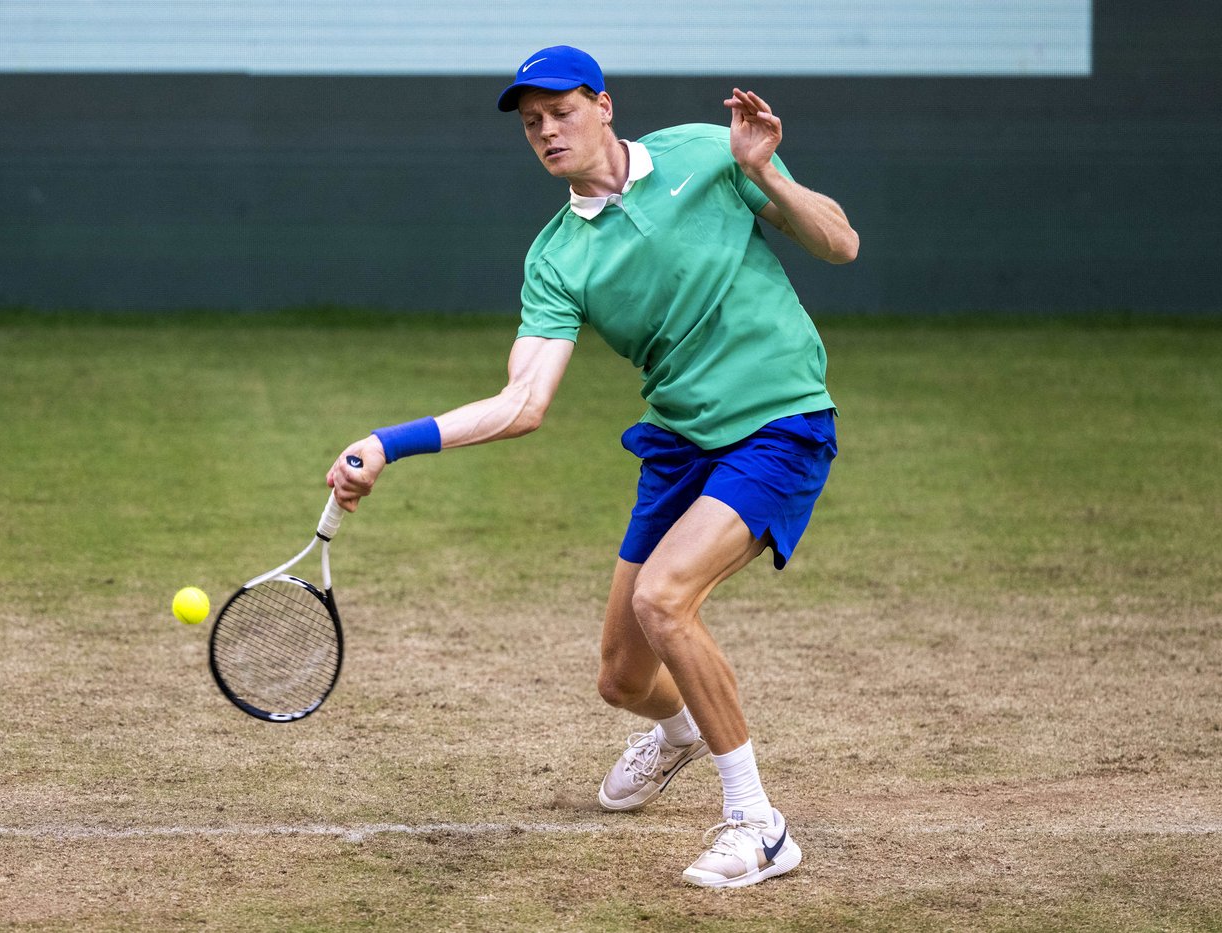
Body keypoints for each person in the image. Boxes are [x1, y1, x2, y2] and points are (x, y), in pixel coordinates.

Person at [326, 45, 858, 889]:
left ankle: (759, 824)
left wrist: (765, 172)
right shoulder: (556, 258)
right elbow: (521, 402)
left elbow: (840, 243)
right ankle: (680, 731)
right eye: (531, 123)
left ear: (604, 106)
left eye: (561, 111)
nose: (546, 131)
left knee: (664, 599)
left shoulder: (707, 152)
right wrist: (390, 441)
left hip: (779, 418)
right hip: (680, 441)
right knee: (621, 677)